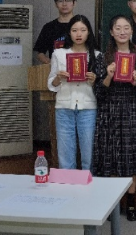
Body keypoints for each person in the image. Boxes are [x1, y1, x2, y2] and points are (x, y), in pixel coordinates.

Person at [93, 15, 136, 222]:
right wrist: (109, 75)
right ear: (111, 31)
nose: (122, 31)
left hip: (132, 110)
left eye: (126, 28)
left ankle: (131, 203)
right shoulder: (103, 57)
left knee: (131, 157)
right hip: (109, 110)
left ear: (132, 31)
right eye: (118, 28)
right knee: (111, 156)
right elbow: (98, 93)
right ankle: (113, 204)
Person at [47, 15, 100, 171]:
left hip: (88, 108)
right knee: (65, 154)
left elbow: (102, 88)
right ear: (69, 33)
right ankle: (68, 185)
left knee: (89, 154)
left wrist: (94, 80)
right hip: (64, 108)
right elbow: (51, 84)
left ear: (88, 32)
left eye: (83, 30)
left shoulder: (97, 55)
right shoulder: (58, 54)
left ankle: (90, 184)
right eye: (74, 30)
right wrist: (58, 78)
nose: (79, 34)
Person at [34, 0, 78, 64]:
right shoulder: (49, 27)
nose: (64, 4)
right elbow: (40, 52)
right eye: (60, 0)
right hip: (56, 70)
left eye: (68, 0)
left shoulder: (82, 26)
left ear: (74, 3)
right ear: (56, 4)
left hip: (77, 68)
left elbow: (92, 50)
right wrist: (52, 64)